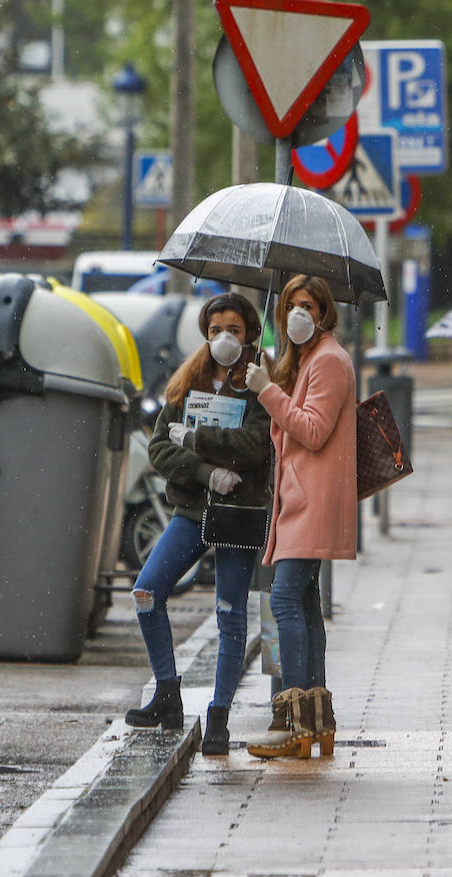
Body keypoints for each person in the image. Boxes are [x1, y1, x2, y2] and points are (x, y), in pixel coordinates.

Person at [126, 293, 273, 757]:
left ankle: (219, 716)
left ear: (250, 332)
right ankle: (167, 694)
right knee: (147, 591)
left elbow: (256, 446)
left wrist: (196, 437)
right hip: (192, 510)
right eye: (214, 330)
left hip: (239, 515)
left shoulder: (260, 381)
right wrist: (207, 470)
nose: (223, 338)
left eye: (233, 329)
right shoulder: (188, 379)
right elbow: (159, 448)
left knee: (230, 615)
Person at [243, 274, 357, 759]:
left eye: (307, 305)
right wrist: (272, 378)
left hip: (313, 501)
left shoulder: (329, 360)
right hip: (303, 500)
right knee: (305, 607)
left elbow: (311, 431)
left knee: (285, 600)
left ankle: (291, 721)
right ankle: (315, 721)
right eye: (290, 304)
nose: (297, 314)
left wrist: (269, 390)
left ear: (323, 311)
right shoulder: (312, 359)